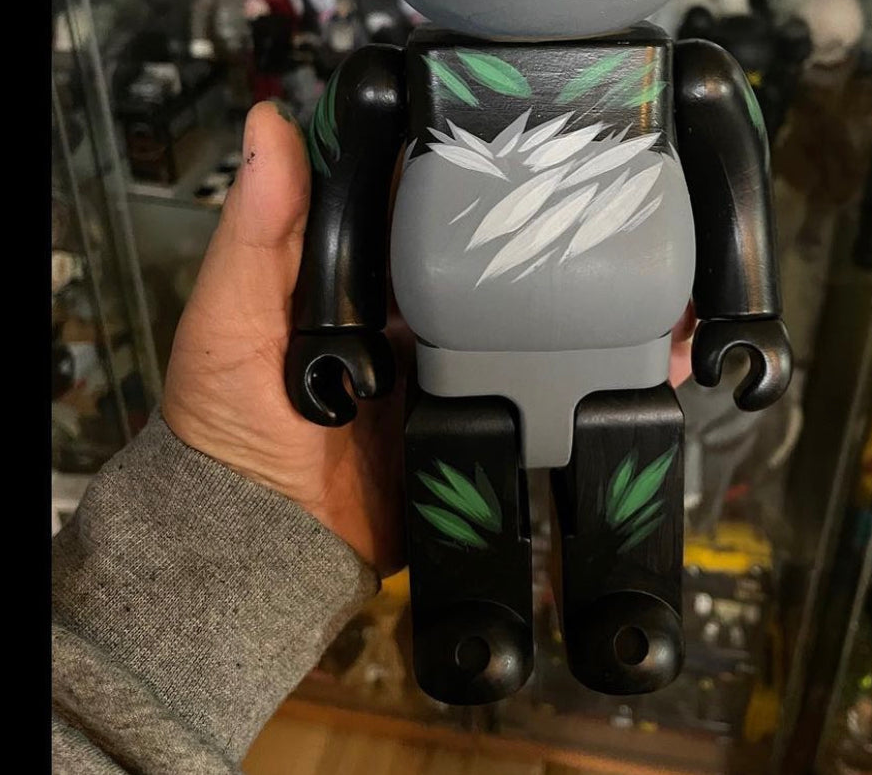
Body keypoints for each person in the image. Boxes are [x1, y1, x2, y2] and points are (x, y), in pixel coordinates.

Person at [52, 100, 695, 773]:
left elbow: (348, 165)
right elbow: (349, 170)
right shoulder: (410, 86)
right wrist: (335, 324)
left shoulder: (655, 84)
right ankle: (475, 614)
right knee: (489, 446)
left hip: (607, 347)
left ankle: (620, 603)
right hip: (478, 355)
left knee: (606, 444)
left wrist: (749, 306)